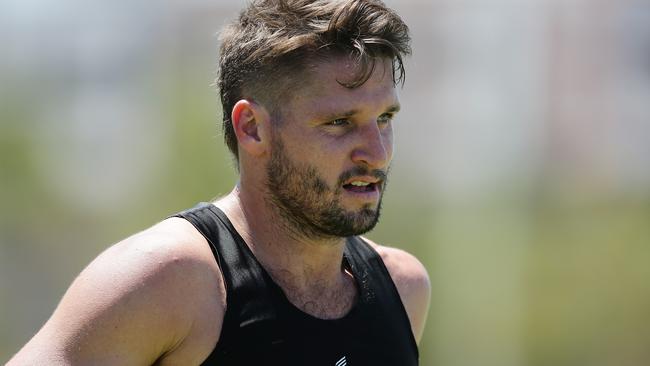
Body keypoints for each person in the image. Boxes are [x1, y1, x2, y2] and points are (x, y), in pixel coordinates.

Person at [8, 0, 430, 364]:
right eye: (339, 122)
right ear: (252, 128)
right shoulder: (169, 279)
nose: (377, 152)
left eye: (384, 119)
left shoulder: (403, 288)